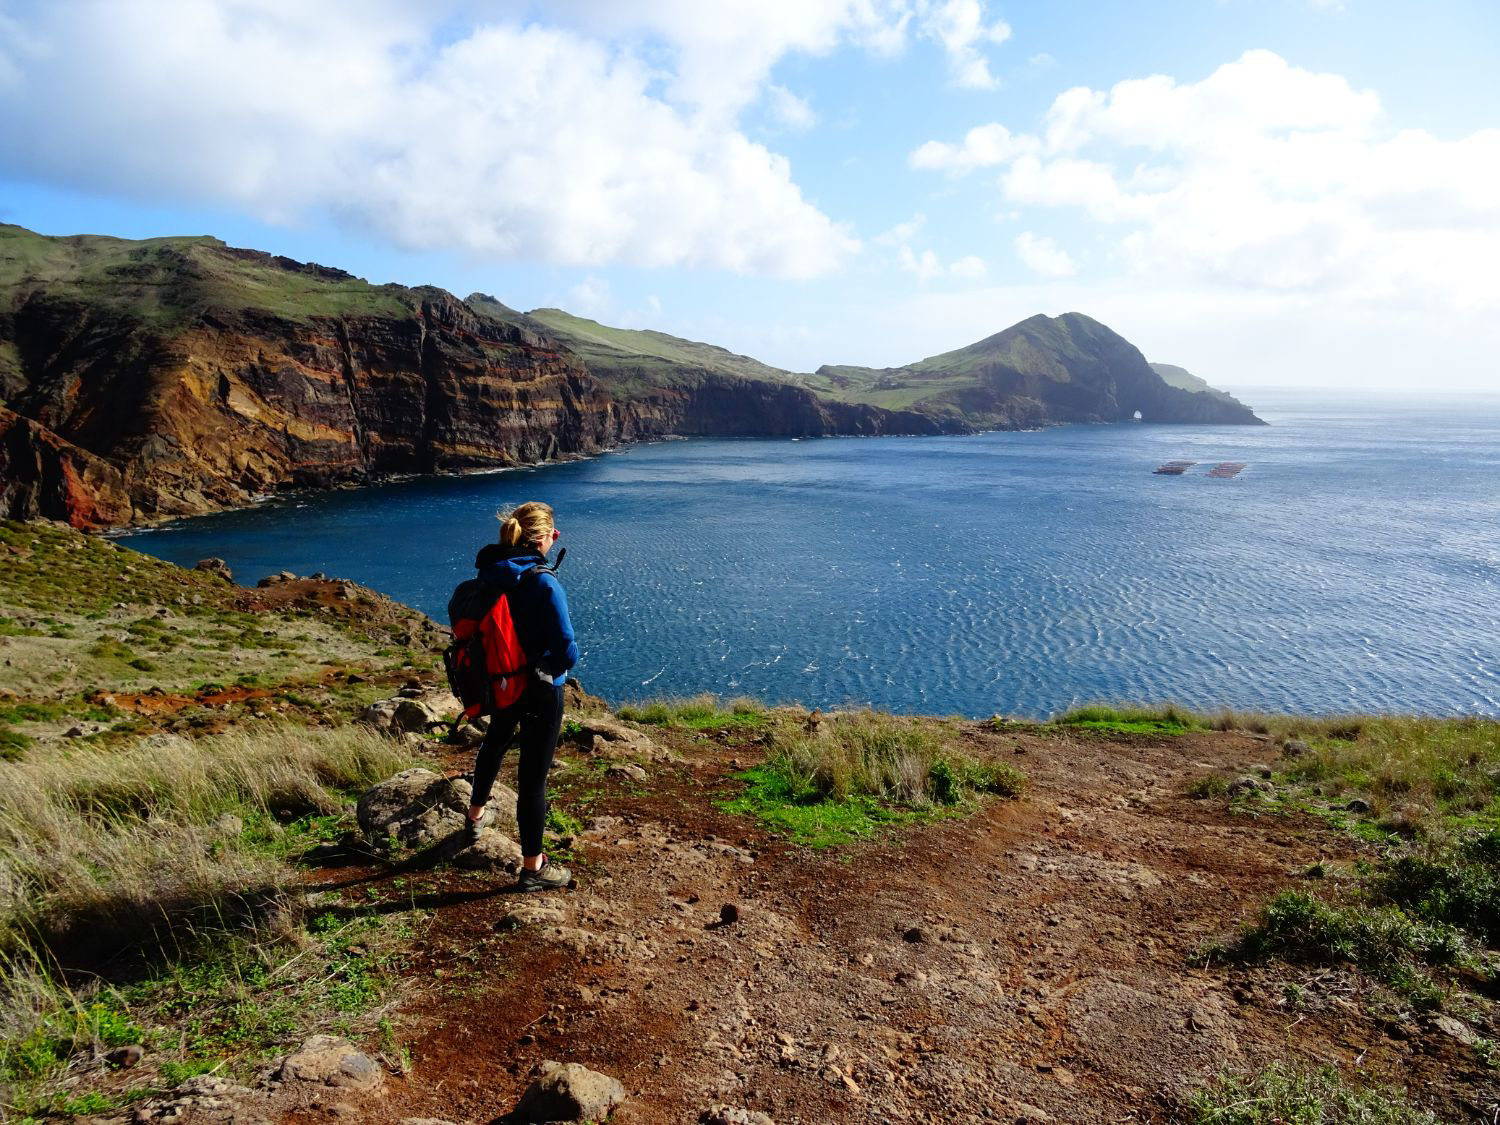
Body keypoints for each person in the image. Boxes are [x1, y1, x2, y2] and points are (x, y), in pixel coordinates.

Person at [466, 501, 578, 892]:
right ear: (544, 538)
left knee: (495, 742)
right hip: (541, 688)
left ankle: (475, 817)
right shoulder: (543, 581)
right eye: (554, 534)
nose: (555, 539)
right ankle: (533, 868)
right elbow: (566, 648)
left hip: (502, 680)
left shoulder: (493, 574)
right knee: (533, 778)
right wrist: (553, 666)